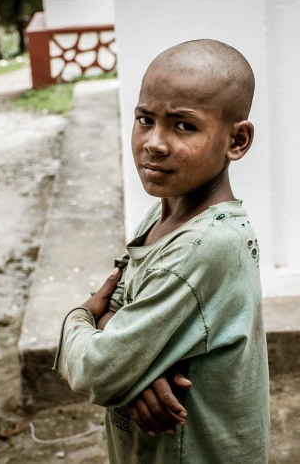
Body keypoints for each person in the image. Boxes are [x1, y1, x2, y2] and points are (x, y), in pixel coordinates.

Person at [54, 40, 270, 463]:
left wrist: (80, 322)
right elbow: (120, 311)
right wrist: (136, 367)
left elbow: (100, 368)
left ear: (237, 140)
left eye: (183, 126)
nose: (154, 142)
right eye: (145, 119)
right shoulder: (162, 217)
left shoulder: (203, 247)